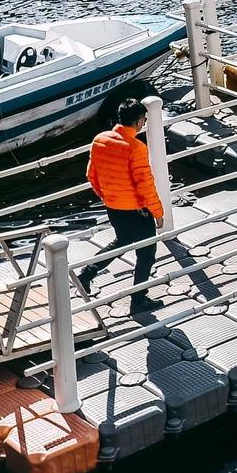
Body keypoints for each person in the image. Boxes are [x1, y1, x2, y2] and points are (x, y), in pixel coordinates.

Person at [80, 96, 165, 314]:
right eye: (144, 119)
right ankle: (138, 300)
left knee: (123, 241)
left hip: (113, 207)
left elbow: (92, 175)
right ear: (137, 121)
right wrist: (158, 212)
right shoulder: (136, 148)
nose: (145, 123)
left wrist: (107, 197)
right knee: (146, 254)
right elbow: (145, 184)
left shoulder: (99, 140)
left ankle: (87, 274)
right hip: (137, 211)